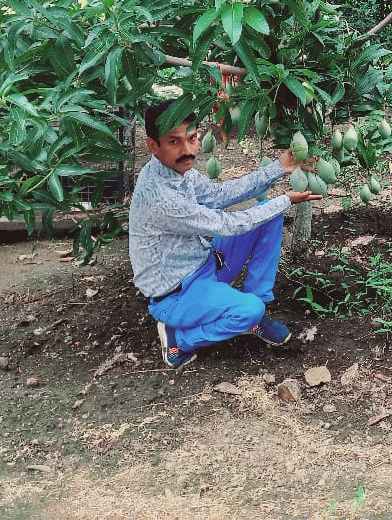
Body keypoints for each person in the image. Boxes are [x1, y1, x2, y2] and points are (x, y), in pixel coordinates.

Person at [128, 101, 321, 370]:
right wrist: (286, 200)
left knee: (267, 213)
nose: (187, 150)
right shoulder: (162, 198)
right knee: (248, 309)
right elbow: (229, 224)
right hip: (177, 296)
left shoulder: (175, 169)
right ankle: (179, 340)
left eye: (192, 138)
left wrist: (279, 168)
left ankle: (259, 308)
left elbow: (219, 196)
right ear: (153, 145)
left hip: (204, 266)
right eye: (174, 142)